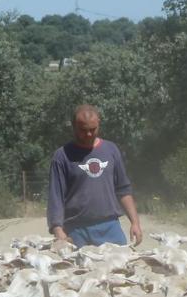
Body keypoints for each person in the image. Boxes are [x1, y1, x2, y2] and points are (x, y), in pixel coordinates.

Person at [47, 104, 144, 248]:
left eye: (93, 129)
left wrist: (135, 222)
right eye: (83, 130)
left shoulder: (111, 150)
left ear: (99, 122)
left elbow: (123, 189)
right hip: (75, 230)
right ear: (73, 126)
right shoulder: (62, 156)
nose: (88, 134)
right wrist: (58, 230)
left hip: (109, 226)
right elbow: (56, 197)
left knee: (121, 268)